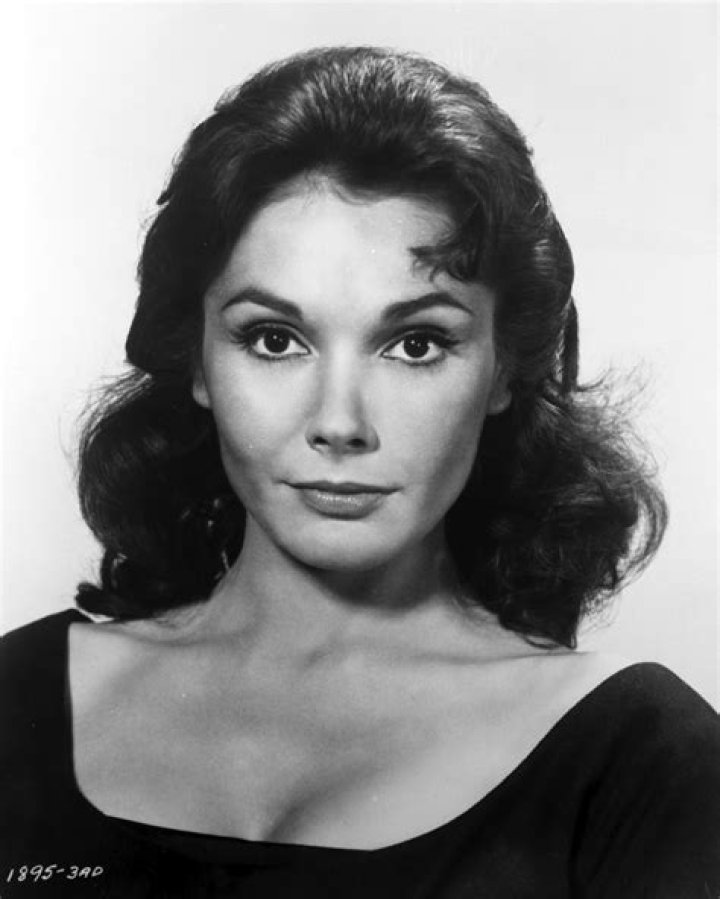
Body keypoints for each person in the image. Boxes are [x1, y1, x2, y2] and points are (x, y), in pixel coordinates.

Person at [1, 46, 718, 898]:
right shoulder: (14, 698)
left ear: (503, 370)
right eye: (274, 338)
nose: (339, 422)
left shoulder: (641, 762)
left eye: (416, 344)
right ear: (194, 357)